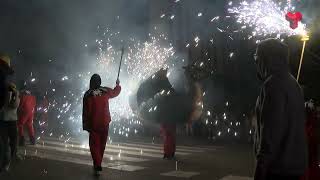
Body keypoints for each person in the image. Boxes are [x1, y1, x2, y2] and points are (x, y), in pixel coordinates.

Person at [253, 39, 307, 180]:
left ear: (268, 59)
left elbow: (270, 134)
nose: (256, 62)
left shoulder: (272, 85)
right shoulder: (293, 83)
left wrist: (260, 169)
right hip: (294, 168)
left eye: (257, 58)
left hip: (278, 170)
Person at [83, 74, 121, 176]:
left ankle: (97, 163)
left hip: (94, 124)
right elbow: (115, 92)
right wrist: (117, 85)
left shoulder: (88, 94)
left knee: (94, 145)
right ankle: (98, 163)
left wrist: (86, 125)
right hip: (105, 122)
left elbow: (86, 112)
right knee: (102, 145)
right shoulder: (105, 91)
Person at [0, 83, 20, 172]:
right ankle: (6, 162)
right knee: (6, 144)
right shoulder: (5, 96)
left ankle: (11, 158)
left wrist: (15, 94)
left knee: (12, 142)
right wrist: (10, 94)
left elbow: (14, 105)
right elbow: (8, 104)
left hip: (11, 121)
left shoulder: (16, 97)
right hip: (5, 121)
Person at [0, 53, 15, 172]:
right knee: (4, 142)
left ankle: (7, 161)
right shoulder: (3, 82)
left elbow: (13, 105)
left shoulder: (5, 84)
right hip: (4, 119)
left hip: (8, 119)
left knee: (6, 142)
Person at [18, 82, 37, 146]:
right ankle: (33, 140)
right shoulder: (33, 96)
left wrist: (19, 110)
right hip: (31, 112)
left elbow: (20, 105)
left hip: (25, 111)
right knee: (30, 125)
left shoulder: (23, 95)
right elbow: (34, 104)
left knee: (20, 124)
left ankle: (21, 140)